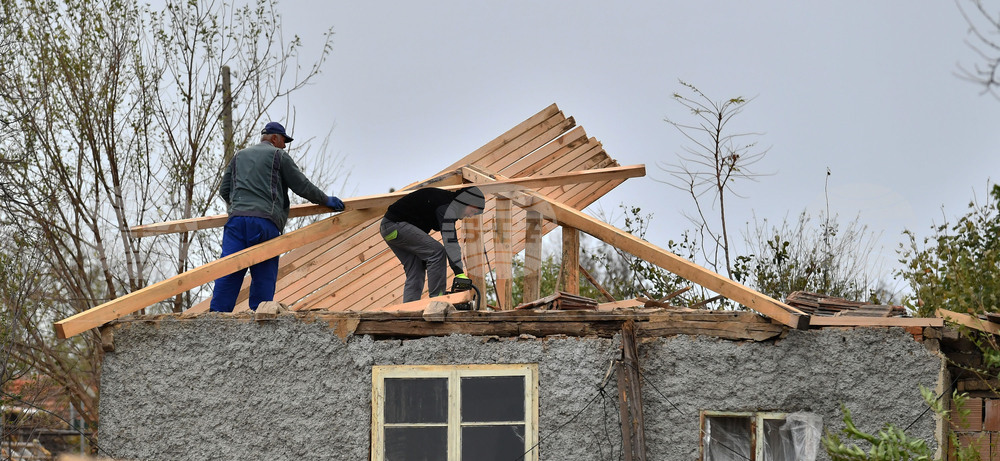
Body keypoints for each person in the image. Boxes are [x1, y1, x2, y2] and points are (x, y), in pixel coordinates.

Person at [210, 121, 345, 312]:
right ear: (274, 138)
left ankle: (217, 317)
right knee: (264, 273)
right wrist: (325, 200)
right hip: (264, 223)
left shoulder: (239, 156)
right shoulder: (278, 156)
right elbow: (302, 185)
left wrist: (240, 207)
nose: (284, 146)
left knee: (229, 269)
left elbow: (224, 190)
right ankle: (261, 315)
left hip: (236, 222)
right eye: (283, 141)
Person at [380, 186, 486, 302]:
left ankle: (408, 308)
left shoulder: (446, 204)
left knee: (416, 269)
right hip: (396, 225)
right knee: (437, 252)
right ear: (465, 202)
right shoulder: (447, 207)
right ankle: (437, 301)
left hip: (389, 229)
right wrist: (459, 272)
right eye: (472, 211)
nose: (470, 215)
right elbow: (450, 241)